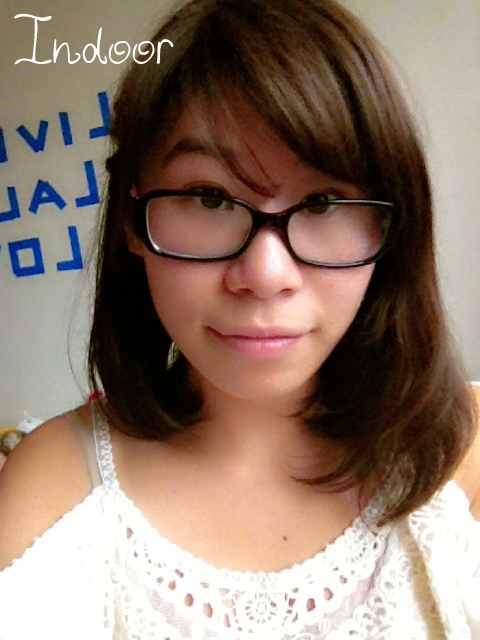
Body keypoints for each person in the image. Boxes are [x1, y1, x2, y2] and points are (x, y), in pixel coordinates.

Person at [0, 0, 479, 637]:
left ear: (391, 227)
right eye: (210, 197)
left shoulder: (460, 453)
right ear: (132, 223)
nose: (266, 273)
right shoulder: (56, 485)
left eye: (324, 201)